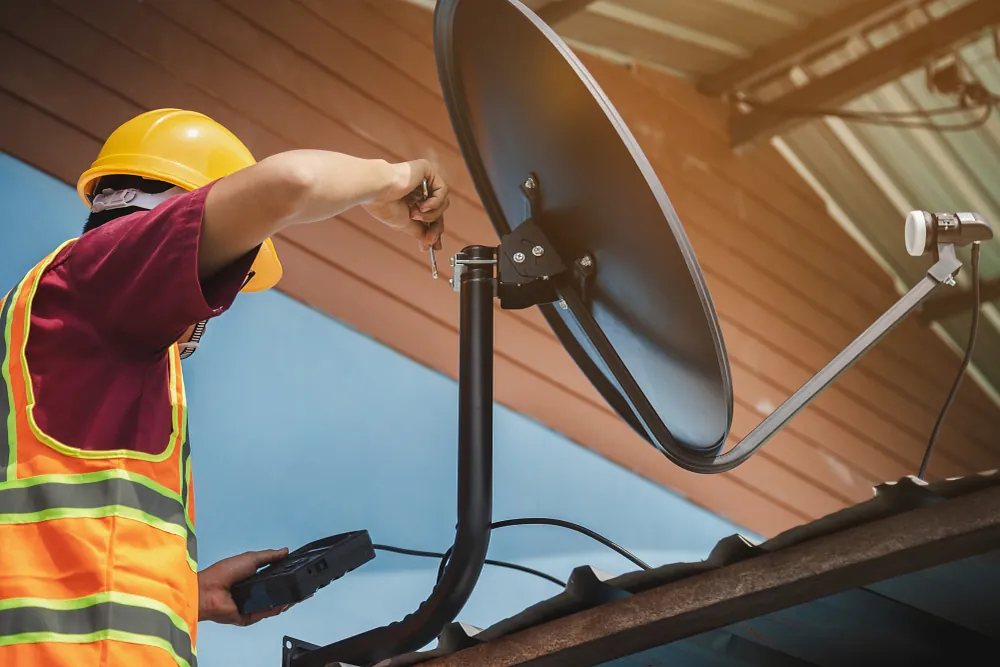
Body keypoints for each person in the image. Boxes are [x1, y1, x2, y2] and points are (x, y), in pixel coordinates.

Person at [0, 108, 449, 667]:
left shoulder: (33, 337)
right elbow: (293, 182)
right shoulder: (101, 278)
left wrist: (183, 595)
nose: (206, 314)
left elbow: (50, 567)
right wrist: (394, 178)